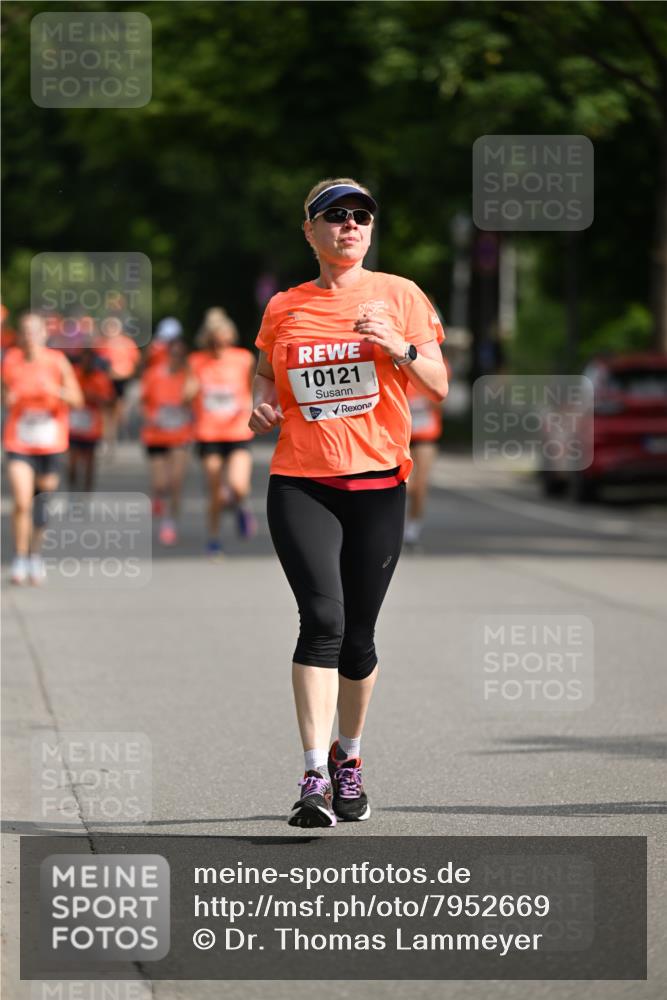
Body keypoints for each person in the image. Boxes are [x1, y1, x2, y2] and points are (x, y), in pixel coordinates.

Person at [249, 178, 448, 827]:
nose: (350, 224)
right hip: (302, 482)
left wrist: (400, 348)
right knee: (323, 621)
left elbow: (439, 384)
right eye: (335, 216)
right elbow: (263, 375)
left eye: (360, 215)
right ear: (309, 231)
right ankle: (312, 775)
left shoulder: (400, 296)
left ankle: (349, 759)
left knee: (358, 641)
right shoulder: (285, 306)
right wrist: (263, 405)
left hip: (378, 485)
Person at [2, 313, 84, 585]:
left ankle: (35, 555)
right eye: (24, 331)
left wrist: (56, 391)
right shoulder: (10, 360)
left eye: (34, 331)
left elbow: (77, 400)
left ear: (43, 334)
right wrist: (8, 398)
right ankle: (20, 557)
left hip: (50, 441)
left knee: (41, 504)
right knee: (22, 500)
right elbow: (4, 394)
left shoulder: (57, 362)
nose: (29, 337)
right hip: (19, 440)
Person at [189, 308, 256, 557]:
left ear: (230, 337)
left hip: (238, 431)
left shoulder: (243, 358)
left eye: (223, 339)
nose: (219, 345)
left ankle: (242, 506)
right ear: (207, 340)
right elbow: (186, 394)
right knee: (216, 491)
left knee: (238, 485)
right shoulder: (196, 361)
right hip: (208, 434)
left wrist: (250, 404)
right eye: (214, 341)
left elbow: (255, 387)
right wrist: (191, 388)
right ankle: (214, 539)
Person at [139, 336, 195, 545]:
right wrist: (149, 416)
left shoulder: (189, 376)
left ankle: (169, 522)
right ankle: (157, 497)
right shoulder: (153, 375)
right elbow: (143, 401)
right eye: (174, 353)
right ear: (167, 353)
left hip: (180, 434)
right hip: (156, 435)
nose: (177, 358)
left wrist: (189, 374)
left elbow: (193, 396)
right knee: (160, 483)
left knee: (176, 482)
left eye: (181, 355)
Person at [404, 356, 449, 548]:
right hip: (400, 435)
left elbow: (441, 398)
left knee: (420, 484)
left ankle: (413, 528)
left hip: (426, 435)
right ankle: (394, 525)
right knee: (405, 485)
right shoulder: (394, 354)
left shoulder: (438, 362)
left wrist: (427, 402)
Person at [68, 349, 115, 492]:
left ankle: (86, 493)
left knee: (89, 463)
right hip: (73, 425)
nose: (86, 363)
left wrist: (95, 398)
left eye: (89, 360)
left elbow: (110, 401)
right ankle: (73, 489)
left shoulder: (100, 378)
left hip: (91, 428)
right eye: (84, 360)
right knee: (72, 463)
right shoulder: (72, 374)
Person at [94, 316, 141, 449]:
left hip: (122, 379)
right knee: (105, 410)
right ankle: (106, 437)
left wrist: (128, 374)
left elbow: (135, 361)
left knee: (119, 409)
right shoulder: (101, 344)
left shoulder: (127, 343)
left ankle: (117, 434)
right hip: (105, 381)